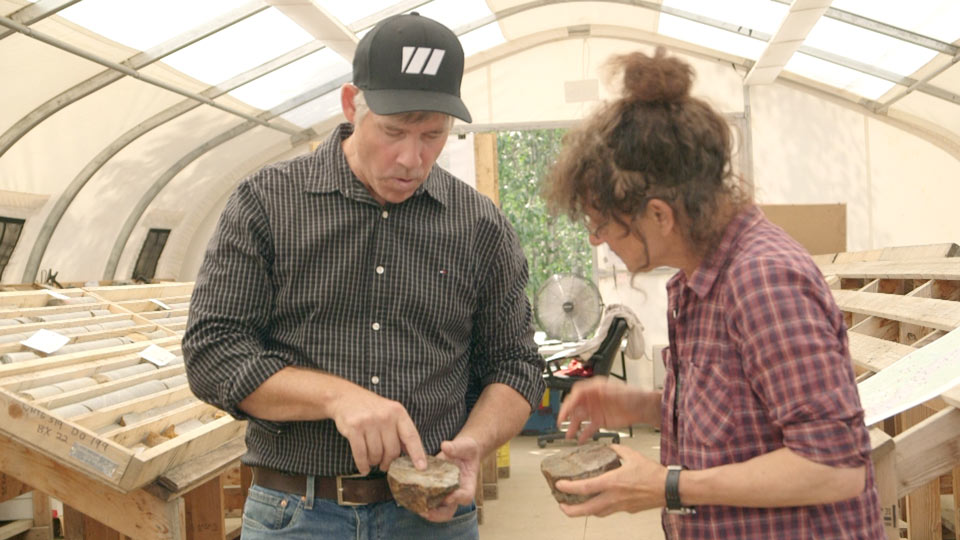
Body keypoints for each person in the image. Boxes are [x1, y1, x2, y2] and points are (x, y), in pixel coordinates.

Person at [182, 12, 544, 539]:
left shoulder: (479, 225)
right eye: (393, 131)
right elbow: (214, 351)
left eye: (433, 135)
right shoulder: (267, 202)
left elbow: (516, 365)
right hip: (297, 512)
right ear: (353, 104)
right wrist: (337, 398)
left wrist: (474, 443)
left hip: (432, 516)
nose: (411, 158)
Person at [541, 47, 884, 539]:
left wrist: (669, 486)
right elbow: (745, 420)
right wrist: (640, 406)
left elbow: (834, 468)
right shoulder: (697, 279)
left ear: (659, 215)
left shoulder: (763, 281)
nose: (596, 239)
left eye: (603, 224)